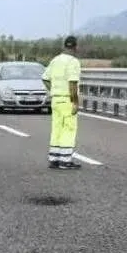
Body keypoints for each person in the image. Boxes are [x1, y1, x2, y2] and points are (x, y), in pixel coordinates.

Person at [42, 35, 82, 170]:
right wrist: (75, 102)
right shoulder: (73, 62)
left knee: (56, 129)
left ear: (64, 46)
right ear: (75, 47)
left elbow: (45, 78)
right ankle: (65, 160)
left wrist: (53, 90)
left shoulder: (55, 60)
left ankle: (54, 159)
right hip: (67, 100)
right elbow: (73, 83)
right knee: (68, 129)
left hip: (55, 99)